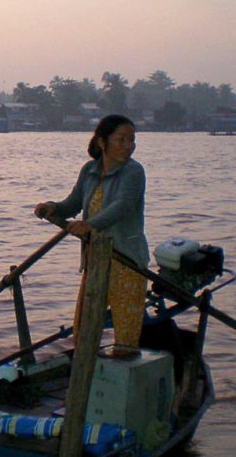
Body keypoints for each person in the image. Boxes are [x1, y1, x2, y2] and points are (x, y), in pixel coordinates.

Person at [34, 114, 149, 352]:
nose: (129, 146)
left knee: (126, 336)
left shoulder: (133, 172)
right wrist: (53, 207)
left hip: (125, 261)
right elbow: (74, 203)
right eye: (122, 139)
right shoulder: (90, 170)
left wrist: (90, 225)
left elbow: (122, 206)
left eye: (132, 140)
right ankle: (86, 375)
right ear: (102, 142)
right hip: (95, 259)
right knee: (85, 328)